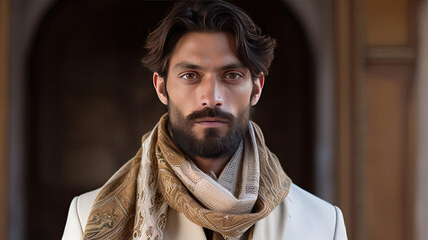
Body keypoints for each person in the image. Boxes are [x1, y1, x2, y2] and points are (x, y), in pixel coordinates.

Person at [62, 1, 347, 239]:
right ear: (161, 87)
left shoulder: (323, 224)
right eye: (190, 76)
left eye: (231, 76)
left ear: (257, 88)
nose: (211, 98)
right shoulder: (86, 215)